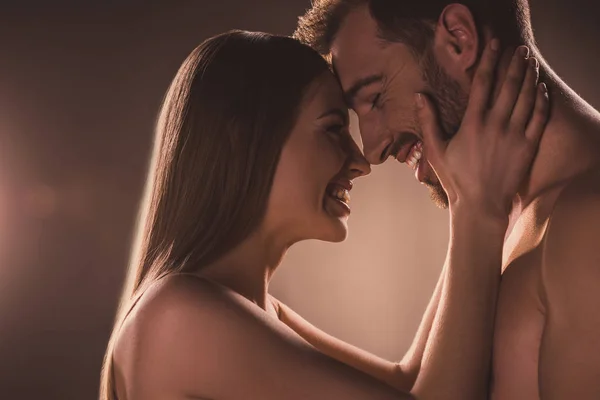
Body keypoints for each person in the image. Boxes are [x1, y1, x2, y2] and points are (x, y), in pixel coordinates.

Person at [99, 29, 548, 400]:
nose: (361, 160)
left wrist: (484, 197)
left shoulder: (244, 311)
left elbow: (408, 381)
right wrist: (477, 210)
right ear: (244, 140)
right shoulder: (180, 315)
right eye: (333, 128)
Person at [294, 0, 600, 398]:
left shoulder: (588, 223)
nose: (372, 149)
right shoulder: (491, 208)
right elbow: (413, 383)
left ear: (459, 39)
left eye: (375, 97)